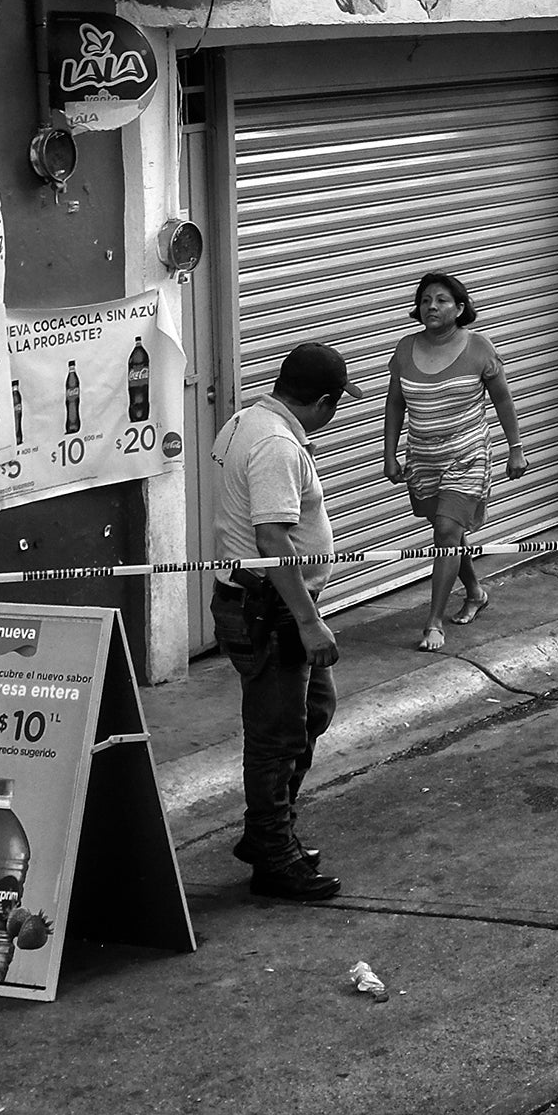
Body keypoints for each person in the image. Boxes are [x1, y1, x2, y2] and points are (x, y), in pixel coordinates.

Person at [210, 341, 362, 903]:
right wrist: (307, 620)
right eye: (337, 403)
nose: (337, 412)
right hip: (270, 611)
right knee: (275, 739)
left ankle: (266, 832)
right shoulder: (276, 444)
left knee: (314, 709)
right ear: (322, 401)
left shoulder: (246, 420)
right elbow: (272, 540)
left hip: (271, 605)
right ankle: (273, 855)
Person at [381, 271, 525, 652]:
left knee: (445, 531)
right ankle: (475, 591)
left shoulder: (479, 347)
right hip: (423, 458)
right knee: (450, 534)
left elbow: (503, 401)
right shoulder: (404, 348)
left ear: (460, 308)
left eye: (442, 300)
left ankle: (433, 622)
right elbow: (395, 403)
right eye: (426, 299)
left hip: (468, 455)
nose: (432, 306)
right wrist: (389, 453)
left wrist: (515, 448)